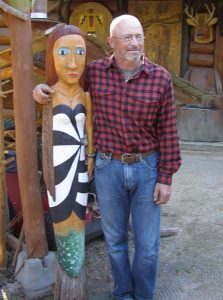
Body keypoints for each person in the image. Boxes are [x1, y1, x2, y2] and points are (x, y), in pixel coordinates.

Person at [34, 15, 181, 300]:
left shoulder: (160, 77)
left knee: (147, 246)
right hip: (108, 166)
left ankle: (143, 296)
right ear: (111, 42)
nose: (134, 43)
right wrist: (38, 89)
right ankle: (123, 294)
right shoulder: (96, 72)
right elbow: (64, 80)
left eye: (138, 36)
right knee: (114, 242)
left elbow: (169, 132)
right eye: (127, 38)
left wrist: (166, 178)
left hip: (146, 167)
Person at [42, 24, 94, 280]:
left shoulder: (86, 96)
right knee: (62, 214)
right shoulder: (49, 95)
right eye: (63, 52)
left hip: (83, 167)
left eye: (80, 53)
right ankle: (67, 272)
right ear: (51, 55)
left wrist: (92, 155)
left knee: (79, 214)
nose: (73, 63)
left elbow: (91, 130)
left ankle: (77, 271)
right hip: (58, 169)